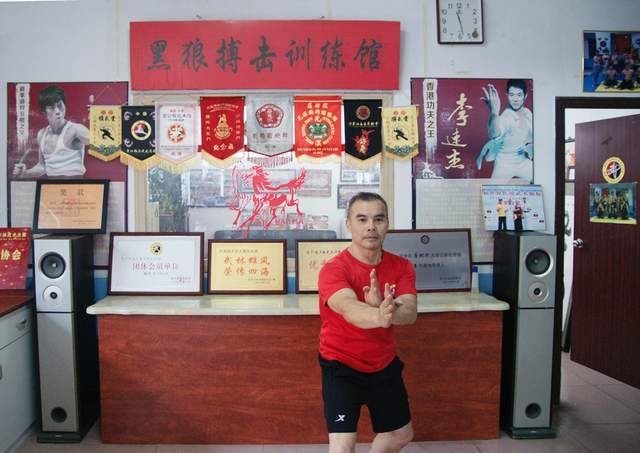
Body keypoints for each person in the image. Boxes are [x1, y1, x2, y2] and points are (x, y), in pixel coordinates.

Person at [318, 192, 417, 453]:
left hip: (383, 363)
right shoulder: (334, 268)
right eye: (362, 219)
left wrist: (388, 309)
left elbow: (410, 312)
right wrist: (378, 315)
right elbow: (347, 306)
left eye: (378, 219)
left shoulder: (402, 266)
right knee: (342, 446)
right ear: (348, 224)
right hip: (341, 364)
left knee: (400, 434)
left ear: (387, 224)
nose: (371, 226)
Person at [13, 85, 89, 178]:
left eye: (60, 105)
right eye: (52, 107)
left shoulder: (76, 129)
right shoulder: (42, 134)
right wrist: (25, 173)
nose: (57, 111)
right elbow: (42, 166)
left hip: (75, 184)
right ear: (44, 112)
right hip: (51, 186)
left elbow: (101, 145)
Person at [476, 79, 533, 181]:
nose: (515, 99)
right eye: (511, 95)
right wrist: (494, 112)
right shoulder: (505, 117)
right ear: (507, 95)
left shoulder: (528, 113)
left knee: (541, 178)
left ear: (525, 96)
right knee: (493, 190)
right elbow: (494, 134)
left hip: (522, 162)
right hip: (504, 164)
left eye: (519, 95)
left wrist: (529, 148)